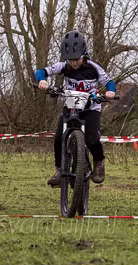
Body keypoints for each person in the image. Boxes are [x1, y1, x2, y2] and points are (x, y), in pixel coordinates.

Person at [34, 31, 116, 187]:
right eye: (70, 60)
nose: (73, 63)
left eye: (76, 59)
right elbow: (41, 71)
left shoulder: (94, 67)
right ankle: (59, 169)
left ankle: (99, 162)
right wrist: (42, 81)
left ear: (84, 54)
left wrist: (110, 91)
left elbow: (109, 82)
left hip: (91, 107)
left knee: (92, 139)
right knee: (59, 137)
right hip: (71, 104)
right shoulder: (64, 66)